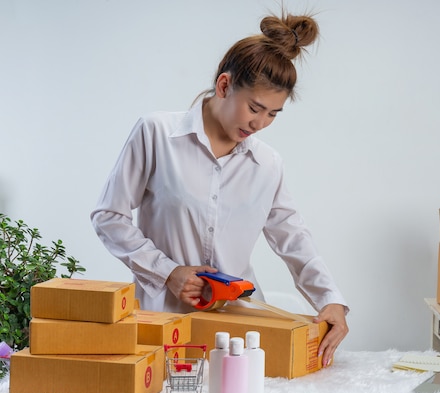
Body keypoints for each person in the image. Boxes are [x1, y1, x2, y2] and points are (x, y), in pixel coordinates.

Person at [90, 10, 348, 366]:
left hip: (238, 333)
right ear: (224, 85)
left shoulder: (268, 164)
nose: (260, 123)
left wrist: (329, 299)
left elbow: (293, 238)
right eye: (255, 108)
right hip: (161, 322)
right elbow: (109, 216)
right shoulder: (155, 134)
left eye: (273, 114)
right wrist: (168, 272)